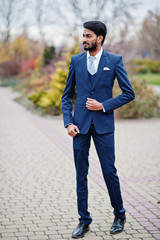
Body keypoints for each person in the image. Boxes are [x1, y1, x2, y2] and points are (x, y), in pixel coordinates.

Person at [61, 20, 135, 238]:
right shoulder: (75, 61)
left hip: (104, 126)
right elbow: (66, 96)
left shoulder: (114, 61)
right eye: (83, 35)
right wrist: (68, 122)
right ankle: (84, 221)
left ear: (99, 38)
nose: (84, 39)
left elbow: (128, 93)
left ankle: (119, 214)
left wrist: (103, 106)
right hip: (80, 127)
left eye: (88, 36)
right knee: (80, 174)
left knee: (109, 172)